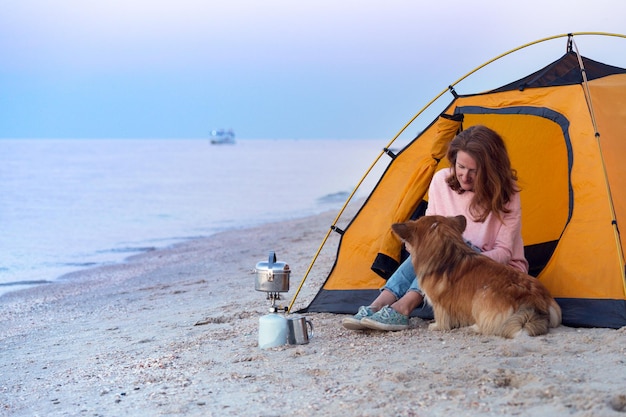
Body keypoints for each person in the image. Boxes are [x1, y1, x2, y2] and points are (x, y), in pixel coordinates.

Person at [342, 124, 529, 331]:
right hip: (444, 267)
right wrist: (418, 247)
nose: (464, 177)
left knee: (447, 250)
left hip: (491, 268)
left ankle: (404, 307)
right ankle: (378, 304)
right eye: (460, 167)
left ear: (491, 169)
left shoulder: (507, 192)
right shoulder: (441, 180)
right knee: (432, 248)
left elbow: (504, 253)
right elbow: (427, 232)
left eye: (474, 171)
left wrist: (461, 257)